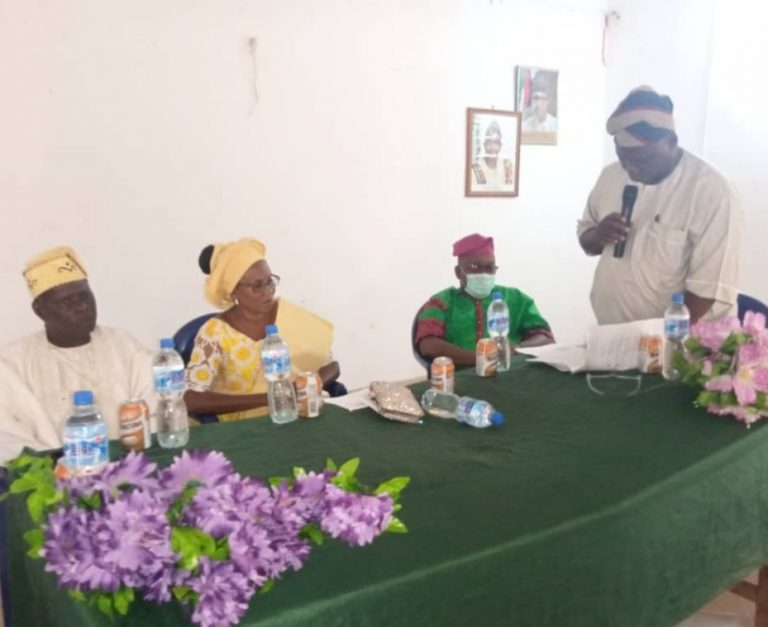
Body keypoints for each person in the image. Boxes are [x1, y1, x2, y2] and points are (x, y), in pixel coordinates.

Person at [577, 86, 742, 325]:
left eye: (642, 160)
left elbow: (706, 291)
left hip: (680, 340)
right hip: (612, 332)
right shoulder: (611, 176)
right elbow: (586, 240)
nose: (631, 169)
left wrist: (662, 339)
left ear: (671, 142)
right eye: (624, 159)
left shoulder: (712, 193)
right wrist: (598, 235)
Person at [0, 246, 155, 465]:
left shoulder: (123, 345)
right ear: (39, 310)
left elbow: (156, 406)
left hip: (128, 464)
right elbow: (6, 436)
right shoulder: (11, 362)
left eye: (85, 296)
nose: (82, 306)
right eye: (66, 302)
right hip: (51, 473)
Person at [184, 238, 340, 421]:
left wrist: (307, 385)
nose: (268, 291)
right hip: (243, 427)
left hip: (297, 416)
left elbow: (332, 365)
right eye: (257, 286)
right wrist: (272, 398)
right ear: (234, 291)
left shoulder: (289, 315)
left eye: (270, 281)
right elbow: (191, 399)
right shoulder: (215, 333)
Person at [414, 233, 554, 367]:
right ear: (458, 272)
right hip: (462, 376)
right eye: (475, 267)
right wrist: (482, 359)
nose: (484, 273)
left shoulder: (516, 298)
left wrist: (513, 350)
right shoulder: (441, 302)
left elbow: (544, 337)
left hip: (511, 371)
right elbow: (428, 345)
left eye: (490, 268)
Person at [471, 121, 516, 191]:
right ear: (484, 145)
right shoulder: (475, 168)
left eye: (496, 143)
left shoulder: (508, 167)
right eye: (489, 142)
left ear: (500, 146)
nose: (492, 147)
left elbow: (511, 190)